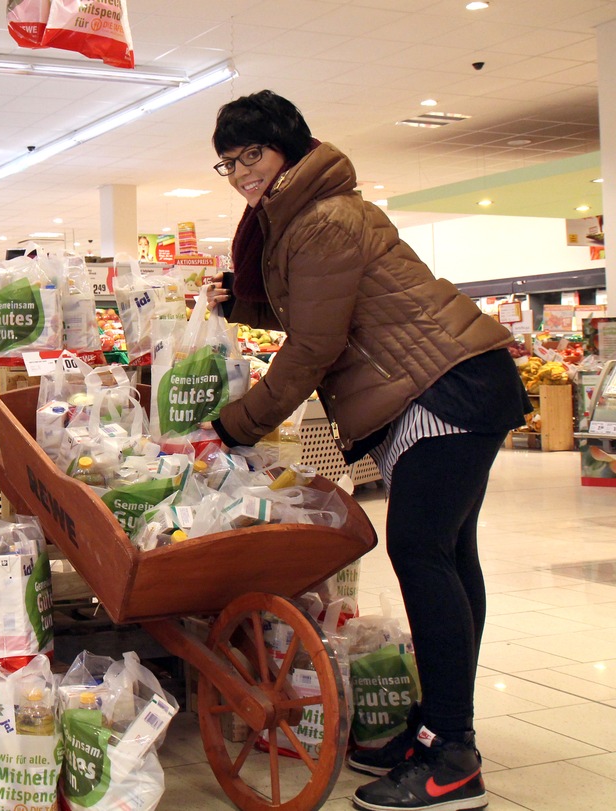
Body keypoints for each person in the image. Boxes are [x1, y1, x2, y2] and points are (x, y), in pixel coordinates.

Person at [206, 90, 529, 811]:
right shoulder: (303, 220)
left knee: (421, 551)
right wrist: (239, 302)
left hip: (441, 389)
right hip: (452, 384)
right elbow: (308, 303)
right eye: (227, 162)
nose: (239, 173)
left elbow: (314, 345)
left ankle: (452, 756)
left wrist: (237, 425)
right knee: (447, 555)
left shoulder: (322, 218)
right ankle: (441, 729)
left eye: (249, 154)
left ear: (288, 144)